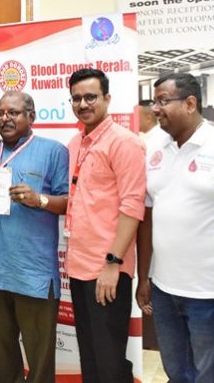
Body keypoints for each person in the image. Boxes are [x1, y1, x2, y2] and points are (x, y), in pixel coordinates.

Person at [135, 73, 214, 383]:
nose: (155, 108)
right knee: (177, 372)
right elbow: (147, 217)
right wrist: (145, 276)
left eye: (163, 101)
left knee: (212, 375)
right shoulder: (152, 146)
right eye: (154, 101)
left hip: (212, 291)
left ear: (190, 103)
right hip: (164, 289)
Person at [0, 91, 69, 383]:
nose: (5, 118)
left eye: (13, 113)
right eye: (0, 113)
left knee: (40, 362)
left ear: (31, 116)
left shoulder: (54, 151)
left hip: (33, 275)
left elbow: (69, 201)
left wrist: (38, 199)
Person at [65, 68, 146, 382]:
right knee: (90, 356)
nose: (83, 104)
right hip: (79, 266)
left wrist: (113, 263)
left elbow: (132, 207)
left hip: (108, 269)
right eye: (76, 98)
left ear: (107, 98)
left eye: (91, 97)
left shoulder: (124, 143)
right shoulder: (76, 143)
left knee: (110, 360)